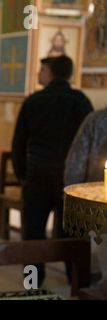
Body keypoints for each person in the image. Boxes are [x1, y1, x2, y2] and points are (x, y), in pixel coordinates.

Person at [11, 55, 94, 288]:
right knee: (72, 232)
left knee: (33, 232)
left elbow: (18, 143)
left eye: (42, 70)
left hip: (36, 174)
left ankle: (32, 284)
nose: (39, 74)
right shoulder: (80, 101)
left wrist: (22, 176)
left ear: (51, 73)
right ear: (69, 75)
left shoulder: (33, 101)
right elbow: (89, 144)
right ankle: (76, 282)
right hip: (69, 178)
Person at [64, 107, 107, 290]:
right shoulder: (97, 120)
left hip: (100, 205)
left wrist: (72, 202)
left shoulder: (98, 119)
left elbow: (75, 166)